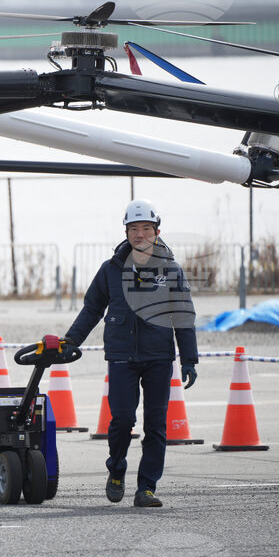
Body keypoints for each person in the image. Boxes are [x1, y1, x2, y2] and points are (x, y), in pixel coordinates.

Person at [64, 199, 198, 508]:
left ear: (157, 231)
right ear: (126, 233)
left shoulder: (171, 270)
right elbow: (92, 309)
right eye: (134, 229)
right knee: (122, 419)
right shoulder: (110, 270)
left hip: (158, 357)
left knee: (155, 425)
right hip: (122, 355)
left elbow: (183, 315)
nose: (140, 234)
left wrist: (189, 358)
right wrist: (72, 340)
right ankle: (117, 467)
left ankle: (147, 488)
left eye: (146, 229)